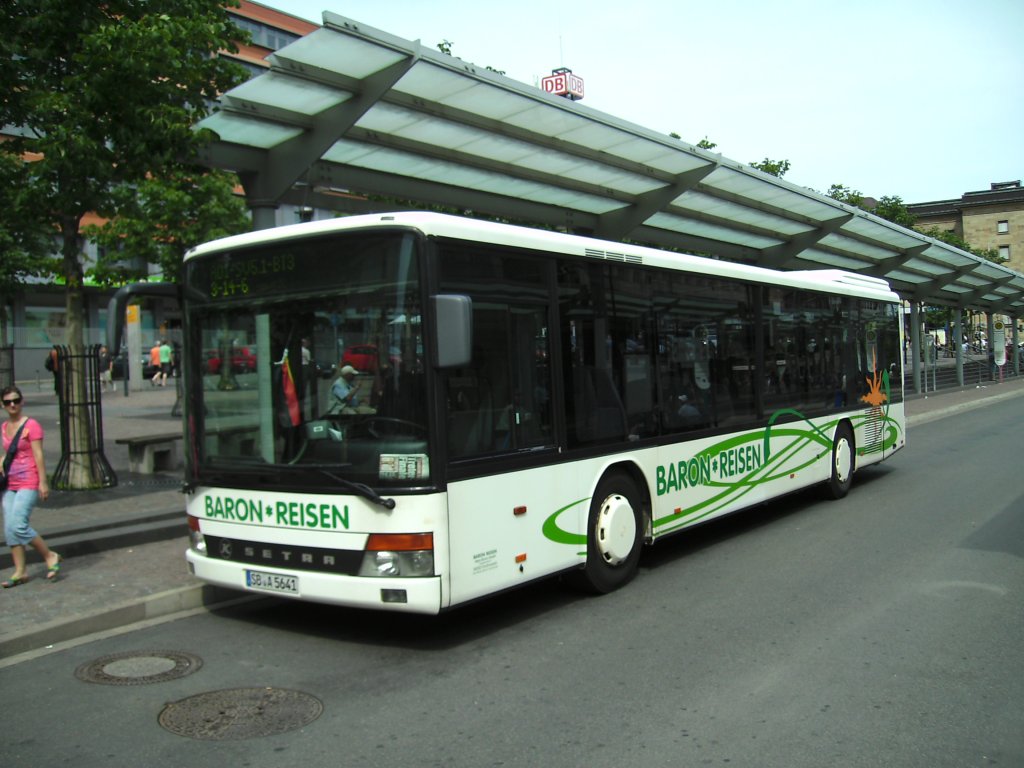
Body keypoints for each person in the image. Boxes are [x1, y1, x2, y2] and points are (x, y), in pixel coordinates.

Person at [1, 386, 61, 587]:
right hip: (10, 482)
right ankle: (20, 571)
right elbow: (12, 453)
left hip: (28, 480)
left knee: (19, 524)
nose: (12, 405)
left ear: (22, 402)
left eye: (16, 400)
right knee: (10, 528)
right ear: (2, 405)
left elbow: (38, 455)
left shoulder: (32, 425)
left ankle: (49, 555)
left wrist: (43, 482)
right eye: (8, 402)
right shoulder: (4, 427)